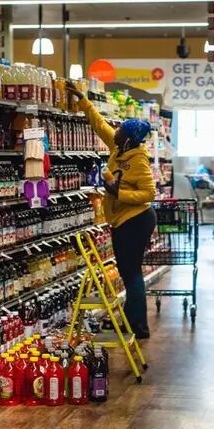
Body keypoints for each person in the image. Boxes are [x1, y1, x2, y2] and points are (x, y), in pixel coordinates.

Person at [66, 81, 156, 339]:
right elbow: (98, 124)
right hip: (123, 220)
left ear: (129, 137)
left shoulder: (138, 159)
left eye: (120, 130)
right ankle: (132, 322)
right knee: (130, 272)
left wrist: (119, 193)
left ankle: (137, 326)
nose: (115, 130)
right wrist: (83, 100)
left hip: (136, 220)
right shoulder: (118, 147)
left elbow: (149, 194)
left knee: (131, 273)